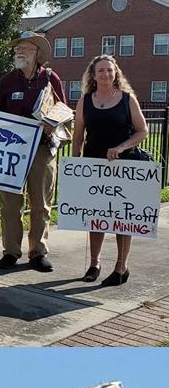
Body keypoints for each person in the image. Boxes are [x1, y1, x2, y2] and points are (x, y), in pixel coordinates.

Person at [71, 54, 149, 287]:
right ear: (93, 75)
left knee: (122, 219)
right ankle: (94, 263)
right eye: (101, 70)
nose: (105, 74)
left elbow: (142, 131)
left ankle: (120, 267)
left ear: (116, 73)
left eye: (109, 70)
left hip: (124, 165)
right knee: (96, 217)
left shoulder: (127, 99)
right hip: (93, 164)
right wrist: (75, 164)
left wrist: (121, 147)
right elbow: (78, 137)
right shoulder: (85, 100)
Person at [0, 32, 66, 273]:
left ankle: (38, 251)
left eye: (25, 48)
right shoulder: (7, 81)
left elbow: (63, 110)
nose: (20, 52)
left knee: (41, 203)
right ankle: (11, 251)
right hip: (12, 150)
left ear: (37, 54)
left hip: (42, 150)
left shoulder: (50, 79)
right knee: (10, 204)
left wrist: (52, 122)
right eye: (18, 48)